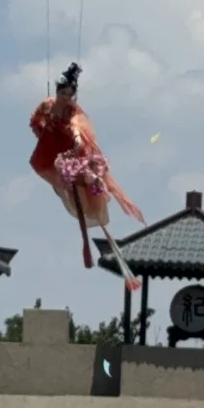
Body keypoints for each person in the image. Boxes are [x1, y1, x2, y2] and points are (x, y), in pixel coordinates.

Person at [29, 63, 143, 277]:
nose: (65, 97)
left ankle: (90, 192)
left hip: (69, 147)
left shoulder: (74, 111)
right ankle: (69, 187)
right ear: (57, 92)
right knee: (60, 178)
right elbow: (35, 119)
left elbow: (77, 129)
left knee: (85, 177)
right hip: (51, 145)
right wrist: (43, 130)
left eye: (69, 94)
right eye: (62, 93)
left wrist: (76, 141)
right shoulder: (47, 105)